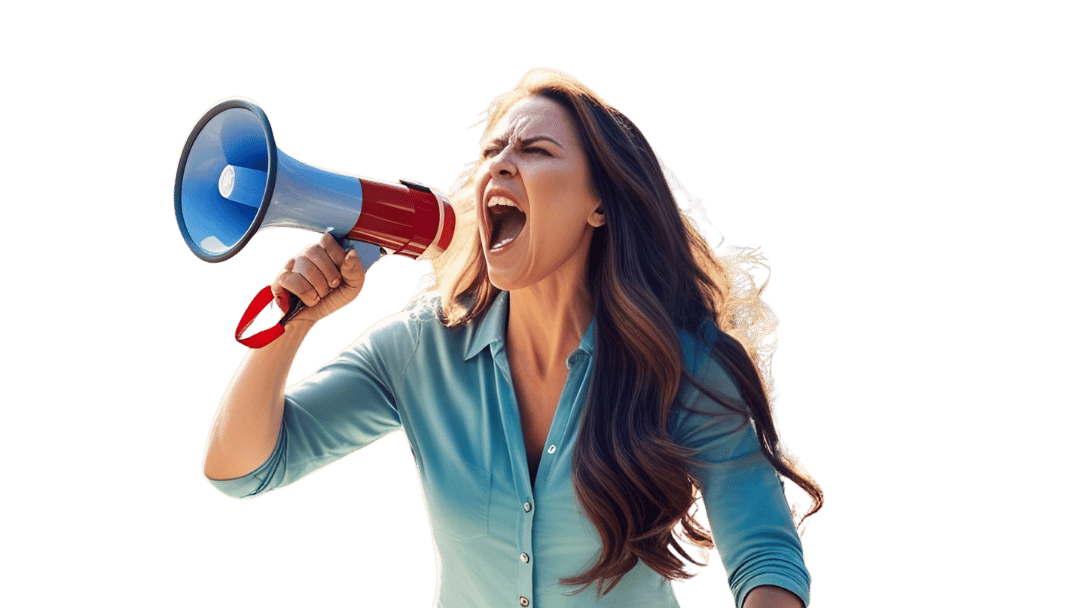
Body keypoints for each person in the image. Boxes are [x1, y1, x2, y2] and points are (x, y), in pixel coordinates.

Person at [201, 67, 824, 608]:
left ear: (598, 204)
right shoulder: (421, 348)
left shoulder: (681, 367)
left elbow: (765, 558)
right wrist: (294, 324)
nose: (501, 161)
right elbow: (242, 469)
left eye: (534, 150)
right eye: (493, 149)